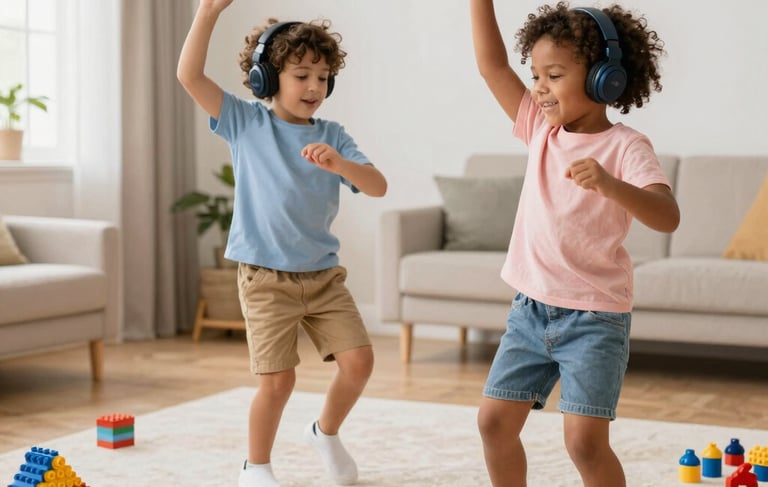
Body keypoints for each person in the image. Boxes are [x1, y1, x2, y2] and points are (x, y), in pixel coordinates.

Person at [469, 1, 679, 486]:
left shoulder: (627, 147)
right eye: (536, 75)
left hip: (595, 319)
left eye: (554, 75)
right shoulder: (541, 129)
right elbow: (491, 66)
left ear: (605, 77)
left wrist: (611, 185)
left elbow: (667, 216)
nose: (539, 88)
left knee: (584, 442)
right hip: (530, 311)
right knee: (493, 423)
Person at [178, 1, 387, 486]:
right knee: (278, 381)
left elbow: (376, 186)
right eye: (301, 75)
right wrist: (207, 12)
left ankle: (326, 432)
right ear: (267, 79)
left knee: (360, 363)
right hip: (266, 277)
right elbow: (189, 76)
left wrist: (341, 166)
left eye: (322, 76)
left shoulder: (333, 136)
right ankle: (256, 466)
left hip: (322, 275)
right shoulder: (245, 123)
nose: (314, 87)